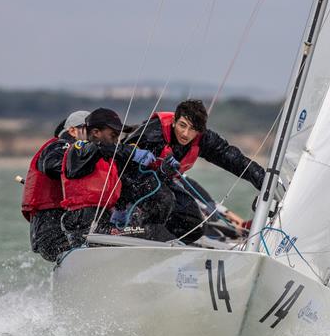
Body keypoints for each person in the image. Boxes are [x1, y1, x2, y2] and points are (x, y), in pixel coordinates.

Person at [125, 99, 265, 243]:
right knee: (164, 198)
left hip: (164, 182)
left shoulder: (203, 139)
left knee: (194, 222)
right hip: (133, 181)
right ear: (174, 121)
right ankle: (138, 231)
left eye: (192, 129)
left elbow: (233, 159)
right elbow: (122, 161)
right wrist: (159, 170)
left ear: (199, 130)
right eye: (182, 126)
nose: (185, 134)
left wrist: (263, 179)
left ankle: (169, 244)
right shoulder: (153, 132)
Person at [60, 108, 160, 247]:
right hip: (82, 220)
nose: (116, 140)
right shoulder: (79, 148)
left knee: (150, 229)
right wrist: (132, 152)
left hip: (102, 219)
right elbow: (99, 148)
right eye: (113, 135)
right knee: (148, 232)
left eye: (118, 136)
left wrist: (162, 165)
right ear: (95, 132)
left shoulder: (108, 159)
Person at [21, 110, 89, 261]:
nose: (95, 135)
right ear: (72, 131)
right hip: (51, 225)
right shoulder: (60, 146)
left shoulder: (81, 149)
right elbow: (52, 165)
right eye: (90, 130)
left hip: (62, 223)